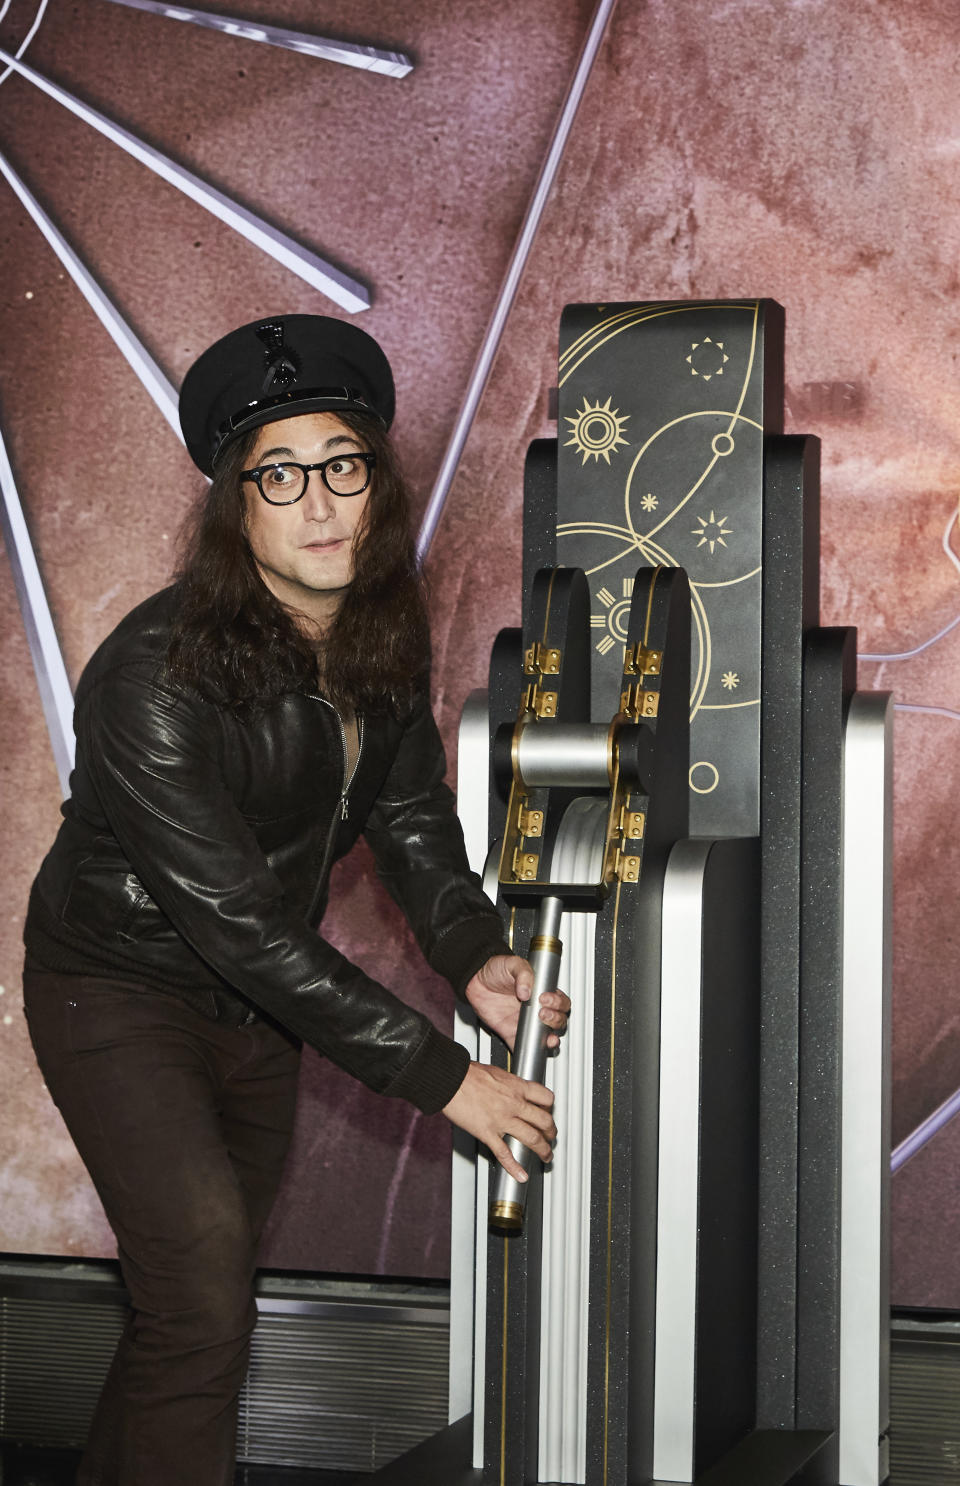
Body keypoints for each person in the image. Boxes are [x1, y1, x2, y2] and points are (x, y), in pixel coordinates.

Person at [21, 315, 568, 1486]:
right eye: (279, 474)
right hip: (121, 987)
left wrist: (470, 945)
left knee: (193, 1311)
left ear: (377, 483)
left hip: (257, 1003)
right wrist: (445, 1076)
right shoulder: (151, 676)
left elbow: (409, 808)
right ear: (237, 504)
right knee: (207, 1290)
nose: (318, 503)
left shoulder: (378, 627)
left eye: (342, 465)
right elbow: (240, 926)